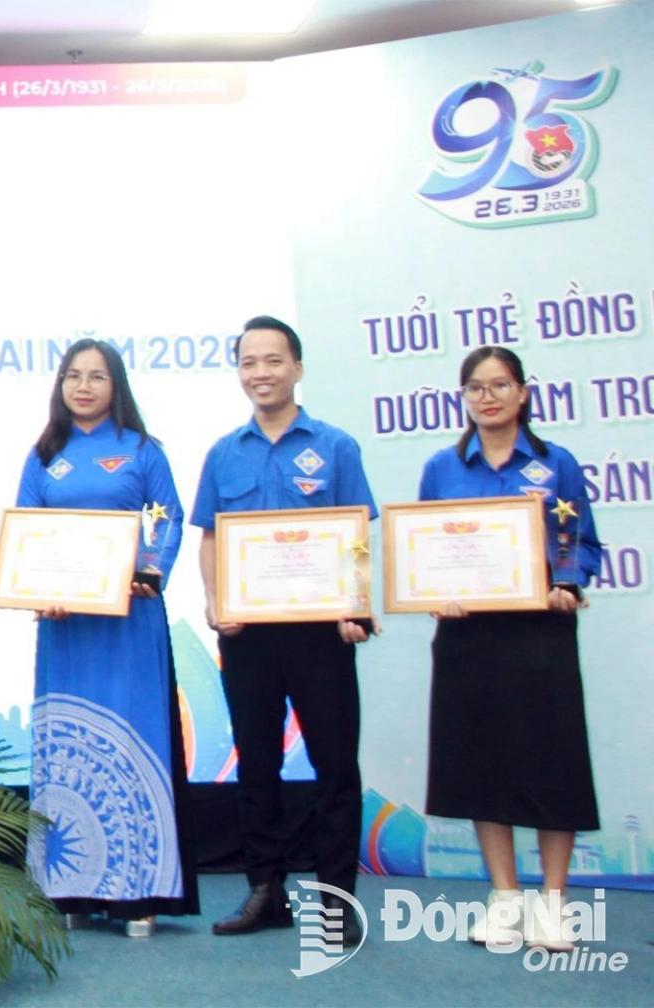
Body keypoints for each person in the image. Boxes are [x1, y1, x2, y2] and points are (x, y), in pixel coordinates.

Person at [194, 316, 378, 943]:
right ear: (239, 372)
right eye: (249, 362)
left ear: (297, 368)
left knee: (333, 766)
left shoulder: (335, 446)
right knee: (258, 766)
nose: (261, 373)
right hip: (247, 635)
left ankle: (335, 900)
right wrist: (218, 603)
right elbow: (213, 539)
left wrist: (356, 607)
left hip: (321, 635)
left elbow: (356, 538)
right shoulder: (223, 453)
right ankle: (265, 891)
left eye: (273, 361)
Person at [418, 347, 601, 952]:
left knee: (553, 763)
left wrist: (566, 583)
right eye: (475, 388)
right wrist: (435, 592)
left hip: (539, 632)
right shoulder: (444, 467)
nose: (487, 397)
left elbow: (580, 542)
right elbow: (425, 549)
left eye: (499, 385)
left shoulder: (556, 465)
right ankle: (504, 899)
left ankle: (553, 902)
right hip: (468, 635)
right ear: (464, 398)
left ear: (523, 393)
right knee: (480, 764)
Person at [18, 339, 198, 938]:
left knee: (130, 738)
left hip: (128, 623)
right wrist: (36, 588)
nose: (85, 386)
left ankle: (139, 892)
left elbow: (166, 516)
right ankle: (69, 886)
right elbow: (26, 532)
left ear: (116, 385)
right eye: (73, 376)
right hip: (66, 628)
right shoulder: (45, 455)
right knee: (69, 746)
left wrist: (150, 570)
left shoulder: (142, 451)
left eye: (97, 376)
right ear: (60, 385)